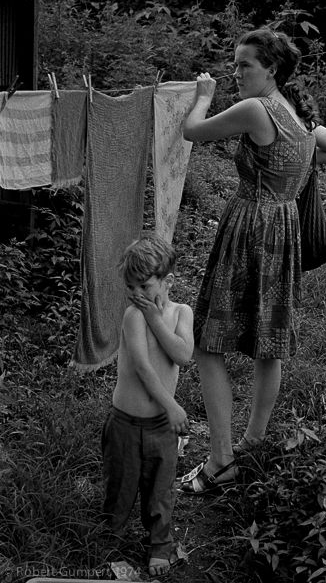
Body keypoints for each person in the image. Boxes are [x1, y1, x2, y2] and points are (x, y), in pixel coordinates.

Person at [179, 28, 326, 494]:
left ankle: (221, 460)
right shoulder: (300, 116)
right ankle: (251, 444)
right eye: (234, 65)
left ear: (271, 69)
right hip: (285, 231)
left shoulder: (257, 109)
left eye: (244, 65)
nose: (235, 73)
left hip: (251, 226)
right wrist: (306, 162)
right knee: (268, 343)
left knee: (207, 344)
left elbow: (192, 131)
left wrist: (203, 94)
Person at [101, 234, 194, 575]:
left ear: (167, 281)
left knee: (161, 488)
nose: (137, 295)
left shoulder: (182, 313)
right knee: (120, 484)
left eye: (144, 286)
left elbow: (183, 355)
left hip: (159, 427)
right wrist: (173, 406)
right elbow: (141, 367)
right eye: (131, 287)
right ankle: (108, 537)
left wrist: (157, 317)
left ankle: (159, 544)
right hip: (125, 422)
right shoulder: (132, 316)